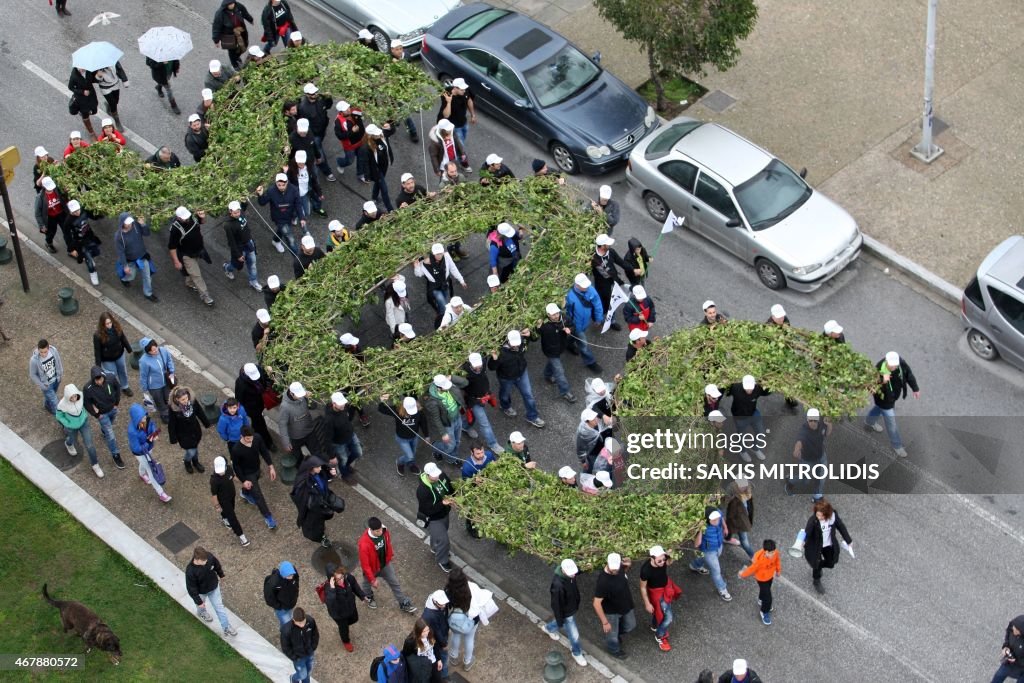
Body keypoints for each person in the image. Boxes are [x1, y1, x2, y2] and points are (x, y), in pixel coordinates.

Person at [865, 351, 920, 458]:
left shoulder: (900, 363)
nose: (894, 367)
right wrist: (882, 381)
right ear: (886, 361)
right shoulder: (878, 370)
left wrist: (915, 388)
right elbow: (870, 387)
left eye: (896, 364)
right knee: (891, 423)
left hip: (893, 396)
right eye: (892, 365)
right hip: (884, 399)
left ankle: (869, 421)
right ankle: (897, 445)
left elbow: (908, 374)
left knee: (878, 409)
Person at [357, 516, 417, 613]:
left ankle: (403, 603)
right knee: (366, 584)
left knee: (395, 583)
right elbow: (365, 565)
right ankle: (369, 597)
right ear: (370, 530)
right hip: (372, 569)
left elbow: (388, 544)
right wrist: (372, 579)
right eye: (377, 531)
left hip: (385, 565)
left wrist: (390, 555)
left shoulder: (384, 531)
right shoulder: (364, 544)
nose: (380, 532)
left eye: (380, 529)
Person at [490, 329, 545, 428]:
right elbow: (491, 367)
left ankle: (532, 417)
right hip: (506, 377)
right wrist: (494, 359)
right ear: (507, 341)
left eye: (517, 344)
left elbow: (533, 339)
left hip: (522, 373)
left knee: (528, 395)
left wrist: (529, 335)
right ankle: (505, 406)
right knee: (505, 395)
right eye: (513, 344)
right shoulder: (499, 351)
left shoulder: (522, 342)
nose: (516, 346)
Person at [229, 425, 279, 530]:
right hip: (247, 474)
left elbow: (264, 451)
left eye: (251, 437)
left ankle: (245, 492)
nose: (250, 440)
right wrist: (244, 480)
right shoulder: (236, 449)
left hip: (257, 468)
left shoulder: (257, 438)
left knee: (251, 487)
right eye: (247, 438)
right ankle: (268, 518)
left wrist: (271, 466)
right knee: (258, 496)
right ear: (241, 436)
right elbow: (236, 467)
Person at [803, 498, 853, 594]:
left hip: (828, 544)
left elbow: (841, 526)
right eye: (817, 514)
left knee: (831, 562)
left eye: (821, 515)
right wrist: (803, 542)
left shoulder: (833, 517)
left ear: (827, 515)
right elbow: (807, 533)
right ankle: (816, 579)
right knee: (816, 563)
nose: (818, 517)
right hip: (816, 545)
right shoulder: (813, 520)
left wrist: (848, 540)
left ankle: (818, 566)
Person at [291, 456, 343, 547]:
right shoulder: (303, 483)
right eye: (318, 467)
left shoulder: (320, 472)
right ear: (311, 468)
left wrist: (331, 474)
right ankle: (322, 538)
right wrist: (315, 503)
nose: (320, 468)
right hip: (314, 509)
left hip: (323, 501)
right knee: (316, 526)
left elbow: (325, 478)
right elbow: (300, 498)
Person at [185, 546, 237, 636]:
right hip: (201, 592)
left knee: (219, 608)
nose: (206, 562)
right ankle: (202, 612)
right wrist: (199, 602)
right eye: (203, 561)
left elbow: (216, 565)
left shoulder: (208, 557)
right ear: (197, 559)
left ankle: (226, 627)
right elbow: (191, 588)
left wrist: (221, 574)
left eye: (206, 560)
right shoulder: (190, 571)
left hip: (214, 588)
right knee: (200, 606)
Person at [545, 559, 588, 667]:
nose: (574, 575)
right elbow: (557, 605)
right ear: (563, 571)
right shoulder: (558, 585)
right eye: (571, 573)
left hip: (571, 607)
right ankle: (576, 653)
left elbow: (577, 571)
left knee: (562, 623)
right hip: (567, 612)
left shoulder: (570, 574)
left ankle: (549, 628)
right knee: (574, 635)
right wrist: (560, 620)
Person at [168, 207, 214, 306]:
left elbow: (202, 222)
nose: (187, 219)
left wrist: (202, 218)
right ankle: (205, 295)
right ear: (178, 217)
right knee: (197, 275)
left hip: (198, 250)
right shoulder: (175, 229)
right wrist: (176, 261)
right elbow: (172, 247)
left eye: (187, 216)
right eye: (184, 218)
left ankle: (189, 282)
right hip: (187, 255)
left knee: (192, 273)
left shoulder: (192, 217)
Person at [83, 365, 126, 471]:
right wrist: (96, 414)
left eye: (100, 379)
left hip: (113, 409)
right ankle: (116, 454)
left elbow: (117, 388)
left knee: (109, 425)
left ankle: (104, 430)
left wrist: (117, 403)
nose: (99, 382)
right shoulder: (88, 388)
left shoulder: (110, 377)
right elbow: (87, 403)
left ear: (103, 376)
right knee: (110, 435)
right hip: (102, 414)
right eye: (96, 381)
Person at [593, 553, 635, 659]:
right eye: (613, 569)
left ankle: (616, 634)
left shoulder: (619, 567)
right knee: (612, 635)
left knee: (631, 625)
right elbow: (596, 603)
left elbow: (622, 575)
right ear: (607, 563)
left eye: (617, 568)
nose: (615, 571)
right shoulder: (603, 581)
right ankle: (614, 649)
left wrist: (628, 566)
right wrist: (605, 622)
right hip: (611, 611)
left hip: (626, 604)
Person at [56, 384, 103, 477]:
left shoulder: (81, 396)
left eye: (75, 396)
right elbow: (59, 416)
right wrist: (67, 423)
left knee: (89, 445)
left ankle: (95, 465)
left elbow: (87, 404)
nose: (74, 399)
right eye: (71, 397)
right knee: (72, 439)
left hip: (84, 423)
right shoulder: (62, 404)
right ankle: (68, 444)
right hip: (72, 427)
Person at [127, 403, 171, 502]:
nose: (144, 419)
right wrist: (148, 441)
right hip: (141, 453)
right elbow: (136, 448)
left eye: (144, 416)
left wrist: (154, 433)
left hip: (149, 448)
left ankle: (142, 474)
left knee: (144, 464)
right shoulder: (132, 432)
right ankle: (161, 493)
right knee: (151, 470)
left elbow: (152, 426)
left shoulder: (146, 419)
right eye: (141, 418)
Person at [416, 462, 454, 573]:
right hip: (433, 519)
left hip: (444, 513)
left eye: (437, 474)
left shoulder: (440, 476)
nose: (437, 477)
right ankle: (442, 560)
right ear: (427, 475)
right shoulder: (422, 491)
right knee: (444, 540)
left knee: (440, 534)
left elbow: (450, 486)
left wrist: (454, 497)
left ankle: (434, 547)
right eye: (434, 476)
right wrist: (443, 503)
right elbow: (428, 510)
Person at [641, 546, 680, 652]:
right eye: (660, 560)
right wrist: (647, 603)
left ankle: (655, 626)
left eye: (663, 559)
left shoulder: (662, 560)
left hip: (665, 587)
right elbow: (642, 587)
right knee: (668, 618)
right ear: (652, 558)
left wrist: (671, 555)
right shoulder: (645, 570)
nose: (663, 562)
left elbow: (668, 562)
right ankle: (660, 636)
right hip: (656, 593)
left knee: (659, 611)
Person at [785, 407, 831, 499]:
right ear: (807, 420)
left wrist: (829, 425)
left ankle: (817, 496)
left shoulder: (822, 424)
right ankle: (790, 482)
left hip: (821, 457)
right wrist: (796, 450)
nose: (813, 423)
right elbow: (799, 441)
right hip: (807, 460)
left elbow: (827, 434)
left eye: (815, 420)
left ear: (818, 420)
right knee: (804, 479)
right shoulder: (804, 431)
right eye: (810, 420)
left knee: (821, 478)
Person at [689, 508, 732, 601]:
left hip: (718, 545)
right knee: (716, 570)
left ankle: (695, 565)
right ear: (708, 520)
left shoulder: (718, 516)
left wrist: (725, 527)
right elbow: (697, 544)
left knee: (710, 559)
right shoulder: (703, 527)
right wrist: (700, 530)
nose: (717, 521)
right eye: (714, 520)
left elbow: (721, 518)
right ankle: (722, 589)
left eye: (717, 519)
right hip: (708, 551)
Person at [424, 374, 468, 465]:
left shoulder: (449, 386)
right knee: (450, 446)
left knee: (457, 441)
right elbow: (436, 418)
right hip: (448, 424)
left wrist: (452, 377)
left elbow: (465, 383)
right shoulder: (432, 401)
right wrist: (443, 433)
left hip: (457, 417)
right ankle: (435, 447)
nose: (448, 387)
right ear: (438, 388)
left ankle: (452, 459)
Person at [379, 395, 429, 476]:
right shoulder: (397, 410)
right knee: (410, 456)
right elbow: (381, 409)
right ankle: (399, 462)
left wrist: (427, 436)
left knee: (412, 453)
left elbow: (423, 423)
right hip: (402, 439)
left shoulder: (419, 410)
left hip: (414, 436)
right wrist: (382, 401)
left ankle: (411, 464)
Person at [565, 274, 605, 373]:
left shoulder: (590, 290)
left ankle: (568, 344)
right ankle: (590, 362)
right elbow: (565, 312)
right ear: (577, 285)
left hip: (584, 323)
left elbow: (597, 304)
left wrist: (598, 318)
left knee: (573, 337)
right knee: (583, 344)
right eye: (584, 286)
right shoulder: (569, 296)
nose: (587, 287)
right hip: (575, 325)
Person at [324, 562, 368, 652]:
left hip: (350, 606)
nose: (341, 580)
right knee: (344, 628)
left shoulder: (347, 577)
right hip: (339, 614)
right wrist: (332, 588)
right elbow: (330, 601)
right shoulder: (329, 588)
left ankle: (343, 626)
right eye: (338, 579)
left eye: (342, 577)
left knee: (355, 619)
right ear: (332, 580)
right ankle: (346, 641)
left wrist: (362, 596)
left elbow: (355, 585)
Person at [114, 213, 158, 302]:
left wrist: (143, 224)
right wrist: (125, 266)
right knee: (131, 276)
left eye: (130, 222)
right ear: (122, 223)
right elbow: (121, 252)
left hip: (142, 257)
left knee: (147, 276)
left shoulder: (136, 226)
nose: (130, 224)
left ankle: (148, 293)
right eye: (127, 223)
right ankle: (124, 279)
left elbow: (147, 233)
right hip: (130, 260)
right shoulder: (118, 236)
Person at [168, 386, 212, 474]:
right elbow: (171, 424)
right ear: (177, 400)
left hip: (195, 431)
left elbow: (200, 412)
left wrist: (206, 423)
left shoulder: (193, 402)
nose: (186, 401)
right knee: (191, 451)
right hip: (184, 435)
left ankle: (195, 462)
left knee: (194, 448)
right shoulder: (173, 409)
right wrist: (173, 438)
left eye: (186, 398)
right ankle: (188, 462)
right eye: (183, 399)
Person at [256, 173, 305, 253]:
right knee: (290, 239)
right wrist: (260, 195)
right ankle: (298, 258)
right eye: (279, 185)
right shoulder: (271, 191)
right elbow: (262, 203)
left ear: (287, 182)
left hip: (289, 216)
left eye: (283, 185)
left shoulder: (294, 190)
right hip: (278, 218)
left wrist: (302, 218)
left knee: (281, 230)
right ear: (276, 183)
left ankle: (276, 241)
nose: (281, 187)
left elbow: (298, 204)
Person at [220, 200, 262, 291]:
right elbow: (232, 242)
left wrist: (244, 200)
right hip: (240, 248)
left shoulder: (241, 212)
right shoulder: (228, 225)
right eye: (235, 213)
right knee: (236, 265)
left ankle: (253, 281)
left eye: (238, 212)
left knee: (252, 264)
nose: (238, 214)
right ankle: (227, 268)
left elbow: (244, 205)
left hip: (248, 243)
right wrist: (238, 254)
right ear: (230, 211)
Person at [296, 82, 335, 179]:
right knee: (320, 152)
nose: (315, 95)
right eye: (312, 94)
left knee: (319, 146)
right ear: (307, 95)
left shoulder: (321, 99)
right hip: (313, 133)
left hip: (322, 129)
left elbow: (328, 106)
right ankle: (327, 172)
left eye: (315, 92)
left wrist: (328, 98)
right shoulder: (302, 108)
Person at [415, 243, 467, 314]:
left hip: (445, 284)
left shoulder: (446, 256)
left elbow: (453, 268)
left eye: (441, 253)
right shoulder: (424, 263)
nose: (439, 256)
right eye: (437, 254)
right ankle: (443, 316)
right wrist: (417, 267)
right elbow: (419, 274)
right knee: (443, 304)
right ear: (433, 253)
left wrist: (461, 280)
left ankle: (440, 312)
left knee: (444, 299)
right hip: (434, 286)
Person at [738, 539, 780, 626]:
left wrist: (778, 570)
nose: (772, 554)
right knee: (768, 598)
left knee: (765, 590)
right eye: (770, 553)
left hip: (770, 576)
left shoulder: (775, 552)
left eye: (773, 552)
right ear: (765, 551)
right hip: (761, 579)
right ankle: (764, 611)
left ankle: (761, 600)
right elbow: (751, 569)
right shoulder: (759, 560)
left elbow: (777, 561)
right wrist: (742, 575)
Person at [727, 375, 769, 462]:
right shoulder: (735, 387)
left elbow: (767, 392)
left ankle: (755, 448)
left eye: (751, 388)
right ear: (742, 384)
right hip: (740, 417)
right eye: (747, 388)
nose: (749, 390)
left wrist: (768, 383)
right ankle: (742, 451)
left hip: (753, 413)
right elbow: (725, 390)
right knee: (741, 435)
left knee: (760, 432)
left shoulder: (757, 388)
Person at [210, 456, 249, 546]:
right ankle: (242, 536)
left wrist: (243, 483)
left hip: (232, 495)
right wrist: (217, 506)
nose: (221, 472)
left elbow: (234, 477)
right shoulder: (214, 480)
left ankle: (224, 518)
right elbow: (214, 495)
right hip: (223, 500)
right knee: (233, 518)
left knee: (231, 510)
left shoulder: (229, 469)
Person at [63, 200, 103, 286]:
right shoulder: (68, 221)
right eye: (74, 211)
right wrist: (71, 249)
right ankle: (92, 272)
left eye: (78, 210)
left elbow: (93, 216)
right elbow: (67, 236)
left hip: (90, 237)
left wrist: (100, 212)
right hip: (80, 243)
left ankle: (90, 258)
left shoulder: (84, 211)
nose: (77, 212)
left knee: (96, 252)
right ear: (70, 211)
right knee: (88, 259)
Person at [278, 382, 320, 463]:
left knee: (317, 452)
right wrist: (286, 442)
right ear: (291, 393)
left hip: (309, 431)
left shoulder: (303, 396)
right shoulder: (285, 407)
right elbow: (282, 425)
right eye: (298, 395)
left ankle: (320, 469)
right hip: (296, 436)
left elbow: (314, 407)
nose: (301, 396)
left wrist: (310, 398)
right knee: (297, 457)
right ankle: (301, 469)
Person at [324, 392, 362, 483]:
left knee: (358, 452)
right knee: (343, 460)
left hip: (351, 435)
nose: (343, 405)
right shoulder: (329, 420)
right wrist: (332, 456)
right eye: (340, 404)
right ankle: (344, 474)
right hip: (339, 442)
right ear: (334, 404)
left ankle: (347, 466)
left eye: (343, 403)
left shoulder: (343, 407)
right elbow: (327, 439)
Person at [591, 234, 627, 331]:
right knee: (602, 302)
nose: (610, 245)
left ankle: (612, 321)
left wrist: (632, 269)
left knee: (612, 300)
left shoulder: (610, 251)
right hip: (601, 285)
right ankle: (598, 318)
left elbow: (621, 262)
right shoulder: (592, 257)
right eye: (607, 244)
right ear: (602, 246)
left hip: (612, 281)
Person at [93, 313, 133, 397]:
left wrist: (129, 349)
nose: (109, 325)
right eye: (107, 324)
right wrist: (98, 366)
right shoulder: (98, 335)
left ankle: (125, 386)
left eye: (110, 322)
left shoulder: (117, 327)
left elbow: (123, 338)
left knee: (122, 371)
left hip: (119, 354)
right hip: (107, 359)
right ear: (103, 324)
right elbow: (97, 351)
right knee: (111, 375)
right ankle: (114, 388)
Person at [234, 363, 274, 447]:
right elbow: (239, 399)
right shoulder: (241, 383)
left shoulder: (258, 369)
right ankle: (268, 443)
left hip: (260, 403)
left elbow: (267, 379)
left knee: (257, 424)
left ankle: (255, 434)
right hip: (252, 409)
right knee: (260, 424)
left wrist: (271, 373)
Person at [137, 338, 174, 420]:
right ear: (147, 351)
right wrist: (145, 389)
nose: (155, 351)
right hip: (154, 386)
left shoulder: (163, 350)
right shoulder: (143, 361)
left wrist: (171, 371)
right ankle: (164, 413)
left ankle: (170, 410)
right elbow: (143, 376)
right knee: (159, 400)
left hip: (166, 381)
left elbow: (169, 361)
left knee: (168, 397)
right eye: (152, 351)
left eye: (156, 348)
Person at [212, 1, 254, 70]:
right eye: (230, 4)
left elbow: (244, 12)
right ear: (226, 5)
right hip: (228, 35)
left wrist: (250, 19)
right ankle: (234, 64)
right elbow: (216, 27)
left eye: (233, 3)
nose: (232, 5)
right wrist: (216, 40)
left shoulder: (238, 6)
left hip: (240, 31)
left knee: (244, 46)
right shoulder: (220, 14)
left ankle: (237, 57)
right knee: (232, 51)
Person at [280, 607, 318, 683]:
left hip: (309, 653)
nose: (302, 625)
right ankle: (294, 679)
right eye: (299, 623)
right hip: (298, 657)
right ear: (293, 620)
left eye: (303, 622)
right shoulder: (286, 630)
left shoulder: (310, 621)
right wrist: (295, 658)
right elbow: (285, 647)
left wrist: (313, 647)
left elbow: (315, 634)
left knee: (308, 672)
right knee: (302, 674)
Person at [333, 100, 368, 181]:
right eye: (346, 109)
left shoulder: (354, 111)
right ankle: (340, 162)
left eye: (348, 107)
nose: (349, 109)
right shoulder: (338, 121)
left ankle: (360, 174)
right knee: (350, 161)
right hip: (350, 146)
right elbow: (340, 136)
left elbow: (363, 105)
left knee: (361, 157)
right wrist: (352, 131)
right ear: (341, 112)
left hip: (361, 141)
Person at [437, 77, 476, 150]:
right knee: (460, 145)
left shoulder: (465, 89)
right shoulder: (446, 94)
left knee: (462, 139)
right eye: (462, 90)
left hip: (463, 122)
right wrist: (449, 102)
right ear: (455, 88)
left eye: (464, 89)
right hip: (453, 126)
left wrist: (472, 115)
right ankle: (460, 157)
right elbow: (446, 115)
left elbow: (469, 100)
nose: (464, 91)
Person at [366, 123, 396, 212]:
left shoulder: (381, 134)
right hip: (377, 170)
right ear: (371, 136)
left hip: (384, 166)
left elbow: (392, 131)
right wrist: (367, 176)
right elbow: (366, 163)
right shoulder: (368, 147)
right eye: (376, 134)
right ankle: (390, 209)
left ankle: (374, 197)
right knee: (384, 190)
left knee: (378, 183)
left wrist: (390, 126)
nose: (379, 134)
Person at [35, 176, 69, 254]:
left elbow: (63, 198)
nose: (51, 189)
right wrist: (42, 225)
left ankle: (71, 247)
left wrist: (65, 192)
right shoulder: (40, 197)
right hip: (50, 218)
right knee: (51, 232)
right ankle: (49, 243)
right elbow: (37, 213)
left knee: (66, 231)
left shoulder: (57, 189)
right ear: (44, 187)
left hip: (61, 214)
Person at [288, 150, 326, 219]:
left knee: (306, 213)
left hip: (304, 194)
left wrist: (319, 193)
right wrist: (285, 173)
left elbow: (314, 181)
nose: (300, 164)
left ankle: (299, 214)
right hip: (295, 195)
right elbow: (285, 182)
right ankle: (294, 217)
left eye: (302, 162)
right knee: (294, 210)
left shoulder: (309, 168)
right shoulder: (291, 169)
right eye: (299, 162)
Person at [421, 590, 451, 677]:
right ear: (435, 601)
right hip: (438, 642)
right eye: (442, 604)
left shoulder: (435, 604)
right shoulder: (429, 616)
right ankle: (443, 675)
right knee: (443, 657)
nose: (444, 606)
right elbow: (436, 633)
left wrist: (447, 628)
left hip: (442, 633)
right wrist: (444, 644)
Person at [724, 478, 755, 559]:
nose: (744, 488)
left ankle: (727, 538)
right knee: (744, 542)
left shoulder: (746, 492)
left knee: (731, 530)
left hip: (740, 520)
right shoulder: (734, 497)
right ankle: (753, 557)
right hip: (737, 519)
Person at [94, 60, 128, 128]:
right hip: (105, 88)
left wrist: (125, 80)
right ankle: (117, 121)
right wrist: (98, 76)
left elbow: (120, 69)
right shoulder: (95, 66)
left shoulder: (112, 59)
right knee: (113, 104)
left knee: (116, 100)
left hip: (115, 84)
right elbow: (93, 80)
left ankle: (109, 106)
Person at [67, 67, 99, 140]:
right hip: (81, 99)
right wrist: (82, 92)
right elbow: (70, 87)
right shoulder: (74, 76)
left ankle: (86, 113)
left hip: (91, 95)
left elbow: (94, 79)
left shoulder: (89, 70)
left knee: (94, 110)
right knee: (85, 114)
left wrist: (99, 76)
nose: (82, 69)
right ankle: (91, 133)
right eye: (80, 68)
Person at [992, 615, 1024, 683]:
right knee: (998, 676)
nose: (1013, 628)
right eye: (1013, 627)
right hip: (1009, 662)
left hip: (1022, 668)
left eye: (1016, 629)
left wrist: (1015, 660)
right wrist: (1006, 647)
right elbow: (1008, 634)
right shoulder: (1012, 628)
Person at [383, 278, 411, 342]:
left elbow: (402, 278)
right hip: (397, 322)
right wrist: (394, 330)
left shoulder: (400, 285)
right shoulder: (389, 302)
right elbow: (390, 316)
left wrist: (397, 278)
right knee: (399, 337)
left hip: (403, 317)